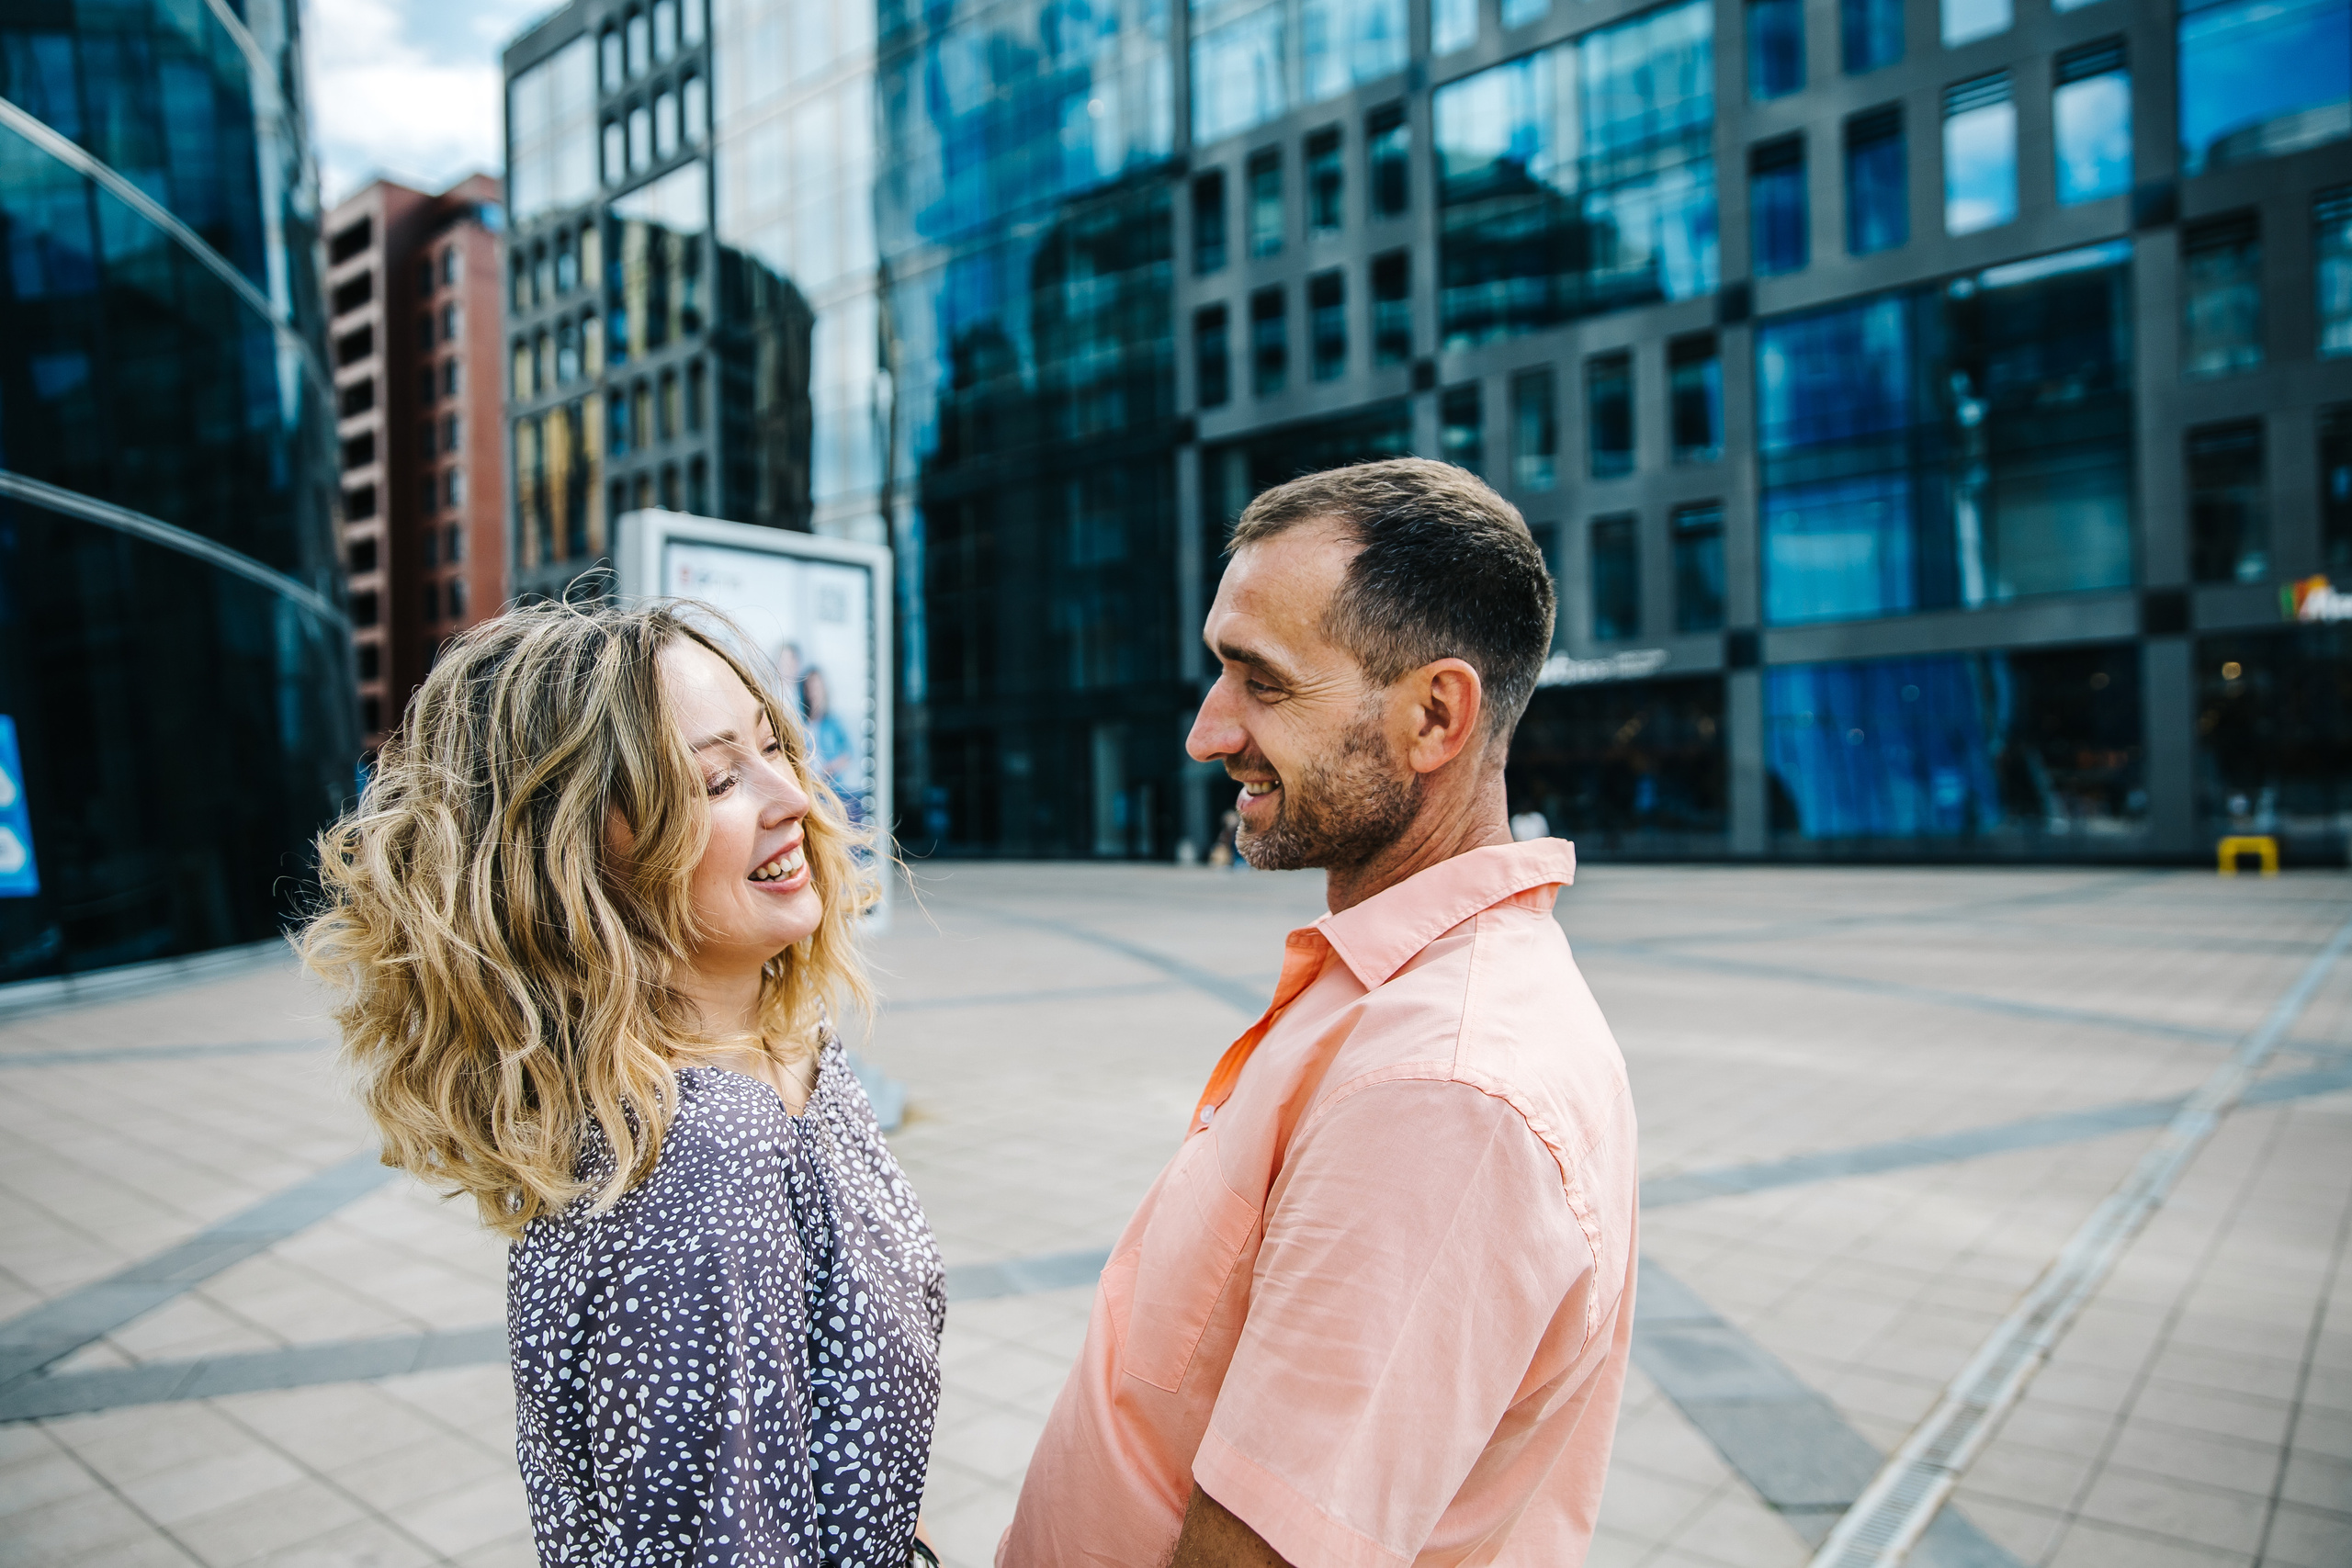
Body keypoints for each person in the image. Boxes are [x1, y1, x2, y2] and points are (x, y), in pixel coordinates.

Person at [1001, 458, 1638, 1568]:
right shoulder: (1389, 991)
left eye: (1264, 681)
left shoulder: (1439, 1088)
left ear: (1435, 714)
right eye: (1219, 672)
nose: (1207, 732)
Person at [300, 603, 944, 1568]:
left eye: (774, 749)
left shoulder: (788, 1048)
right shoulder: (697, 1165)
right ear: (579, 862)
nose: (796, 800)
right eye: (719, 779)